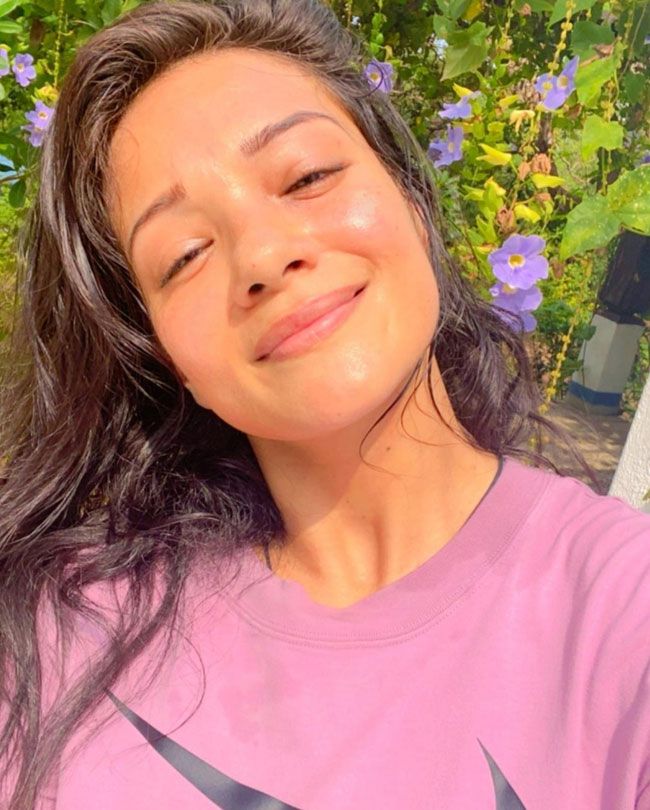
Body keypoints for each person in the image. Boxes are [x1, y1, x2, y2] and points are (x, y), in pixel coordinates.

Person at [0, 0, 648, 807]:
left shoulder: (623, 616)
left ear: (414, 200)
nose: (264, 256)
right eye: (185, 254)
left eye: (308, 177)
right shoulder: (51, 639)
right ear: (167, 357)